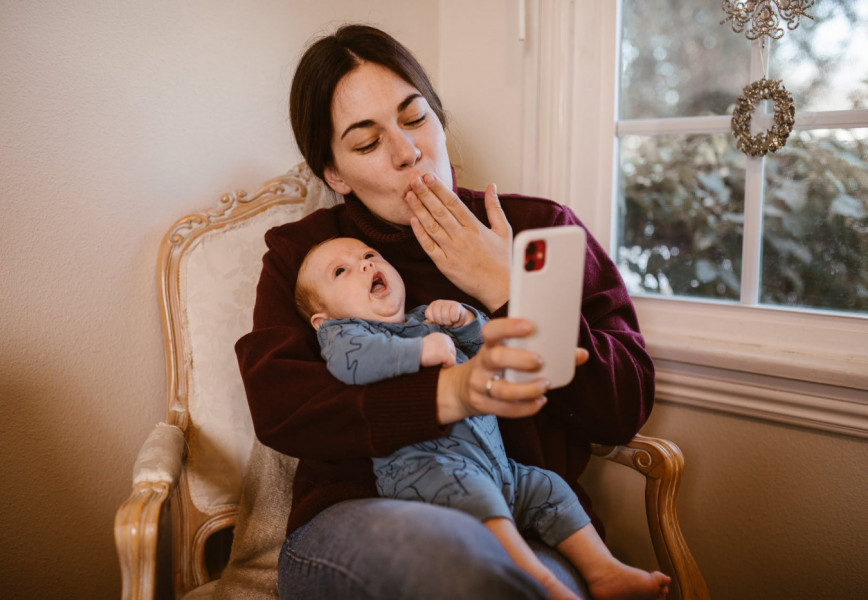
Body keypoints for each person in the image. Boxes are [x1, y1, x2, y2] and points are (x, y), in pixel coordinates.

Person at [235, 23, 659, 599]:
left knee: (511, 580)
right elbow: (281, 406)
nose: (408, 151)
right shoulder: (307, 256)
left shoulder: (541, 228)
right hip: (357, 519)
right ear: (334, 173)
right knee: (459, 566)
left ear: (438, 116)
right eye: (366, 143)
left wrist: (504, 285)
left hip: (530, 521)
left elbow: (621, 408)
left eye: (414, 118)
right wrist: (448, 393)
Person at [293, 236, 670, 600]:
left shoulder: (427, 319)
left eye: (369, 254)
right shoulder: (344, 333)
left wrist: (464, 321)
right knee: (476, 500)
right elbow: (352, 364)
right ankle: (538, 580)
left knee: (549, 487)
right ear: (320, 320)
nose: (365, 264)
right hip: (427, 472)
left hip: (498, 467)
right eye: (341, 271)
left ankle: (603, 569)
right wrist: (418, 351)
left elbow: (489, 349)